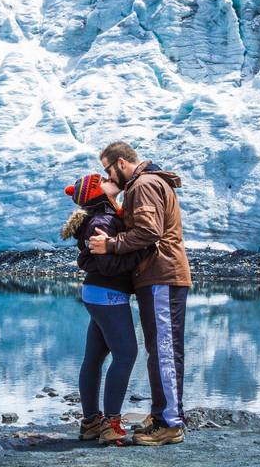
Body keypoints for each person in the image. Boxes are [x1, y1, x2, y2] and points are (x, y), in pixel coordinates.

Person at [89, 142, 191, 446]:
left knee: (164, 350)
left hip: (162, 275)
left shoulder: (143, 185)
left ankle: (170, 423)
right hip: (158, 276)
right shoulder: (147, 183)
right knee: (162, 348)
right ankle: (162, 414)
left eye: (107, 169)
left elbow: (149, 232)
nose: (106, 175)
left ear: (121, 163)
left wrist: (111, 245)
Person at [61, 172, 148, 446]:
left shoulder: (101, 217)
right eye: (105, 181)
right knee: (126, 355)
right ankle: (111, 424)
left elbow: (95, 260)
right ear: (100, 193)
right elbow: (108, 265)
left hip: (96, 293)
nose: (112, 180)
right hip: (108, 293)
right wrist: (142, 251)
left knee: (95, 357)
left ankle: (90, 422)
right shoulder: (105, 220)